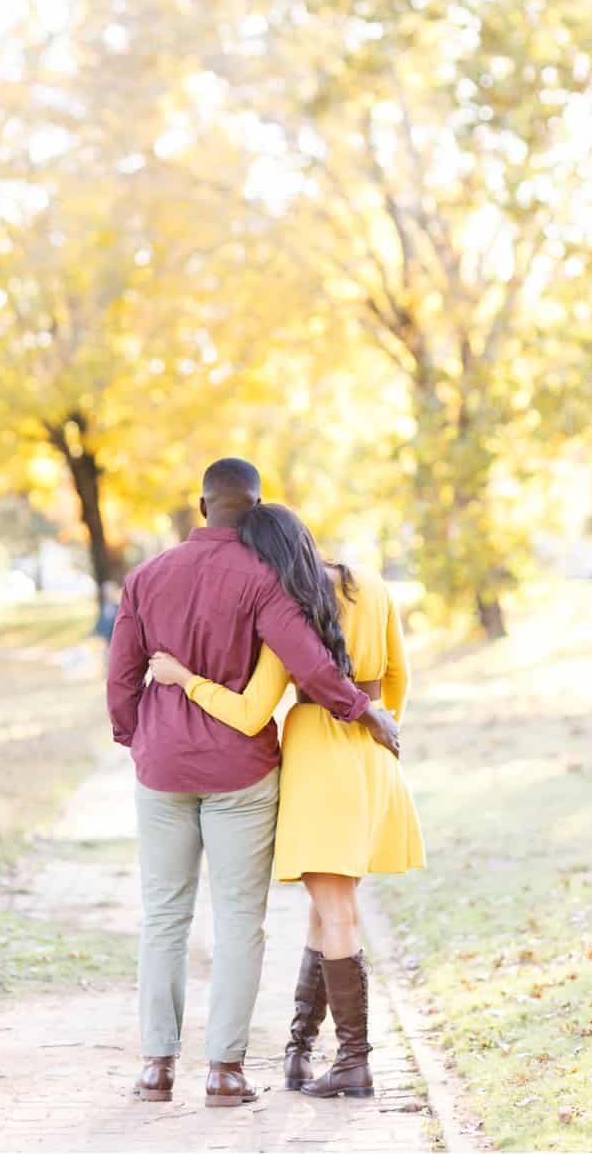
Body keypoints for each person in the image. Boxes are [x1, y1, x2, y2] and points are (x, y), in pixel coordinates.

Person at [106, 459, 399, 1110]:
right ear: (258, 505)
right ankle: (224, 1073)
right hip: (240, 772)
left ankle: (156, 1068)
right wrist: (365, 708)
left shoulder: (146, 576)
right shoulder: (263, 577)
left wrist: (138, 737)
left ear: (203, 503)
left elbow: (121, 677)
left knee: (163, 916)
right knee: (240, 918)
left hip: (162, 770)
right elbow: (310, 663)